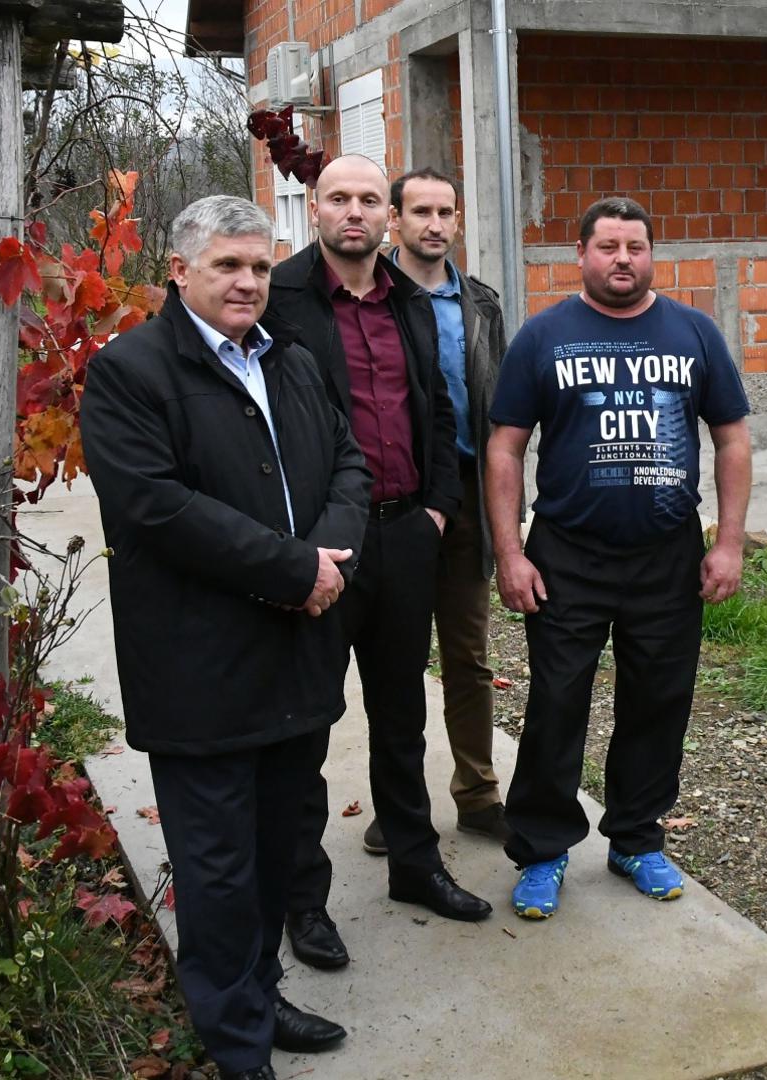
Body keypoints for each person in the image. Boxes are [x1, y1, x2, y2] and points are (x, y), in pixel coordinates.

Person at [81, 195, 370, 1080]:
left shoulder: (292, 360)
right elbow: (157, 508)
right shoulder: (130, 372)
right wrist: (295, 570)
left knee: (279, 847)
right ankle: (237, 1046)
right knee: (217, 869)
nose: (249, 282)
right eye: (228, 266)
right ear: (179, 271)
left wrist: (330, 561)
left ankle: (260, 994)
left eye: (259, 266)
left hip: (296, 655)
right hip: (200, 668)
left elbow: (350, 462)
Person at [486, 196, 753, 920]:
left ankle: (636, 837)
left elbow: (731, 437)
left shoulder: (694, 333)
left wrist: (728, 542)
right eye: (607, 246)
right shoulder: (544, 336)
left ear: (651, 255)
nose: (623, 259)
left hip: (667, 558)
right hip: (566, 556)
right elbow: (505, 447)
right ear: (580, 254)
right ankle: (542, 849)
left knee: (658, 702)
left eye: (635, 246)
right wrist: (510, 552)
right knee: (556, 702)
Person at [268, 155, 491, 976]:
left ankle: (414, 864)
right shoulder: (280, 299)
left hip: (405, 535)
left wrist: (437, 509)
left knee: (402, 713)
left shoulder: (409, 301)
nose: (355, 212)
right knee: (307, 723)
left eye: (368, 198)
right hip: (322, 546)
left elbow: (437, 410)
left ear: (383, 216)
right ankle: (303, 900)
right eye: (340, 199)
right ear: (315, 208)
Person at [348, 166, 510, 851]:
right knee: (397, 661)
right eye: (421, 211)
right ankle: (401, 805)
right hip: (397, 498)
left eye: (446, 212)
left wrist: (506, 509)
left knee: (468, 655)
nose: (435, 224)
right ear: (395, 219)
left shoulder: (481, 304)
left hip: (466, 496)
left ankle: (478, 793)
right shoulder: (373, 297)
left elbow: (501, 413)